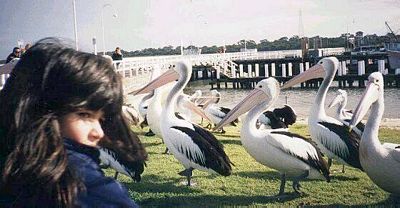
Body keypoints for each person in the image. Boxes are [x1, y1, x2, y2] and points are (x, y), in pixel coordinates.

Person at [0, 38, 147, 207]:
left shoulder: (13, 167)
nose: (99, 133)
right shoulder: (80, 184)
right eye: (84, 115)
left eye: (100, 119)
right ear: (44, 111)